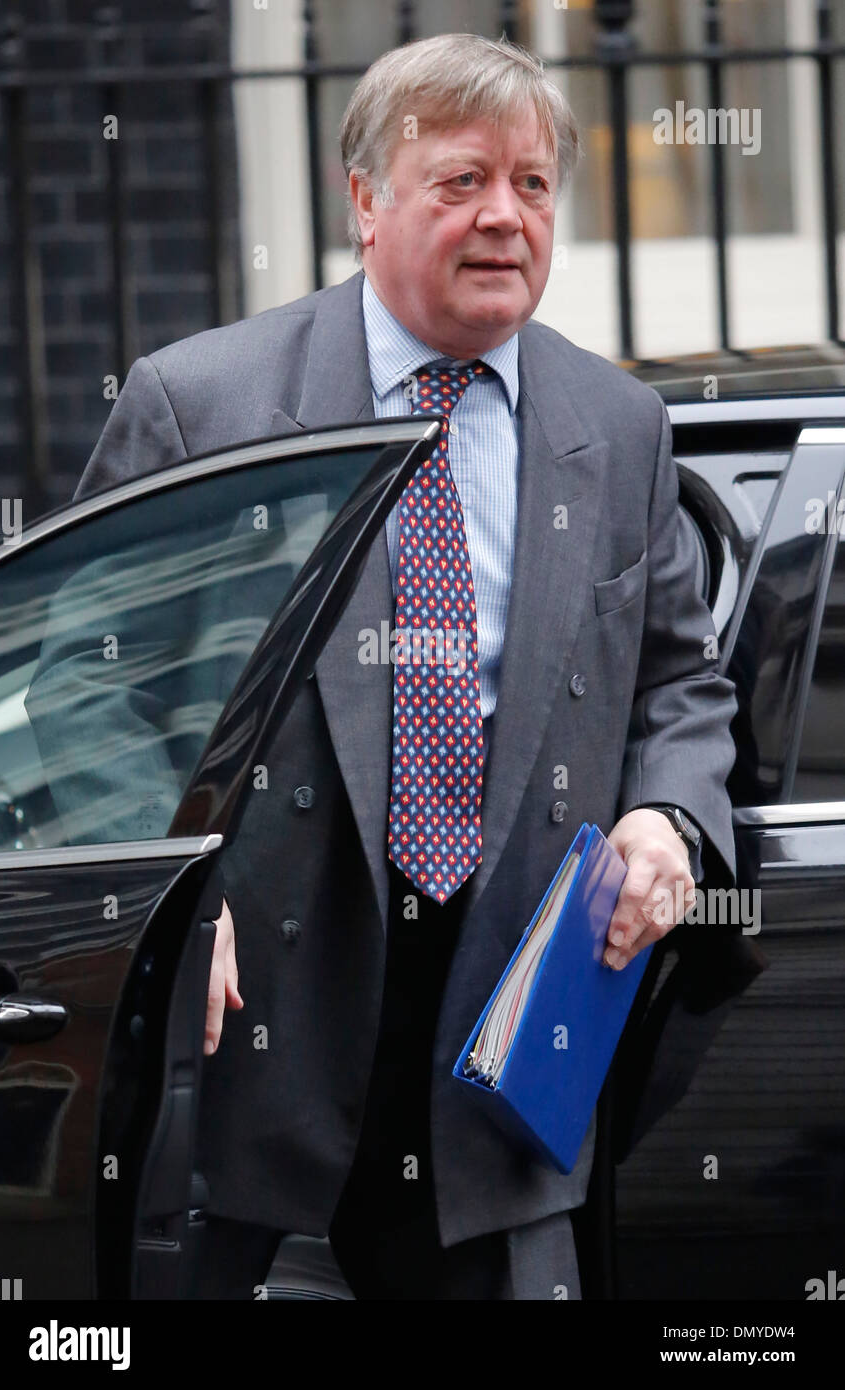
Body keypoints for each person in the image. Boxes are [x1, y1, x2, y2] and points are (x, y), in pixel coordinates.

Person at [69, 33, 739, 1299]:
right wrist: (163, 895)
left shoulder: (618, 425)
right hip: (263, 1056)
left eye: (532, 184)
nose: (504, 216)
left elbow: (678, 684)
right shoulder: (202, 404)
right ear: (365, 200)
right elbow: (91, 689)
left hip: (507, 1068)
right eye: (460, 181)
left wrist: (666, 816)